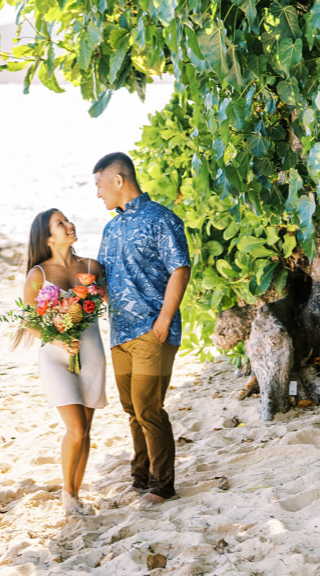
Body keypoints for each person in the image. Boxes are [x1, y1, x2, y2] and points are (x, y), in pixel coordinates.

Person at [93, 152, 191, 508]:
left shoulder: (162, 219)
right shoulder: (111, 228)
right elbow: (103, 278)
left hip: (153, 329)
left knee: (149, 407)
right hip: (120, 333)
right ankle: (140, 476)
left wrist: (164, 320)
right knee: (131, 408)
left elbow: (180, 268)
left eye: (100, 185)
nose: (99, 194)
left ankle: (162, 486)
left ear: (118, 180)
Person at [15, 208, 107, 516]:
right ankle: (68, 496)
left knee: (87, 430)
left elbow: (114, 297)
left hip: (91, 352)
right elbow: (28, 321)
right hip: (56, 358)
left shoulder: (93, 266)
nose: (70, 225)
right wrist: (59, 339)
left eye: (68, 220)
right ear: (48, 237)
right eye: (61, 223)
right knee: (77, 429)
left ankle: (76, 495)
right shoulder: (38, 275)